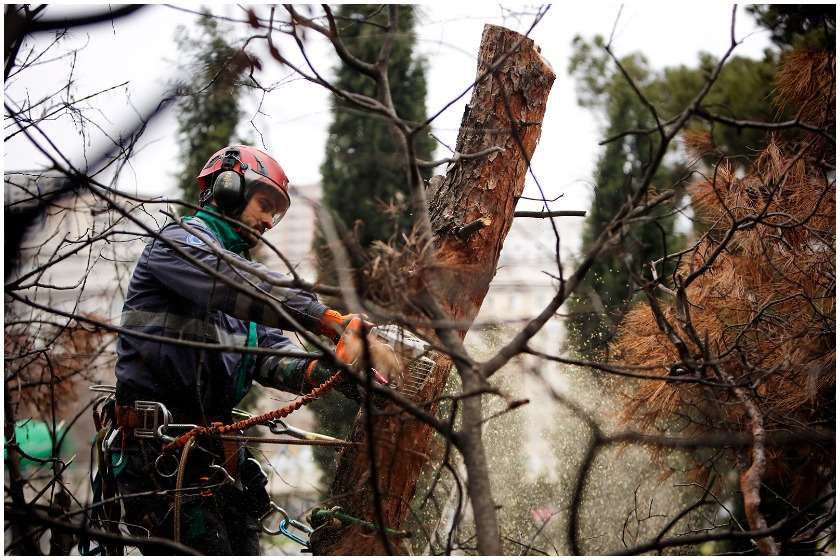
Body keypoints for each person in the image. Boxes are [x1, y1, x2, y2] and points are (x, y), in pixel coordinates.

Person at [109, 145, 397, 554]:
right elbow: (237, 283)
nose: (269, 221)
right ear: (226, 189)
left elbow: (274, 355)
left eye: (277, 214)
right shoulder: (176, 245)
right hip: (161, 453)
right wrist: (326, 319)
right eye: (265, 205)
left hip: (210, 452)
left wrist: (333, 370)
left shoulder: (241, 304)